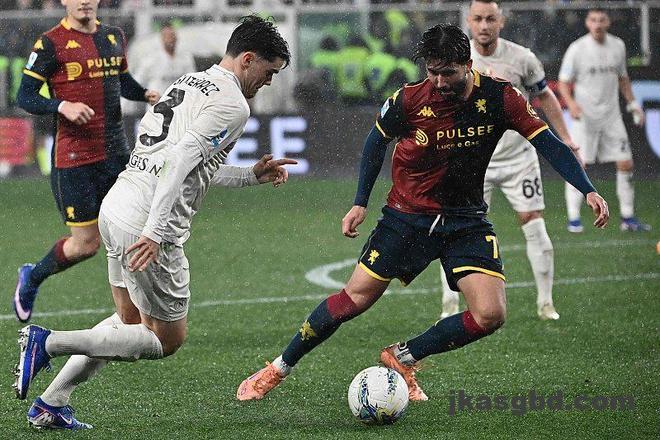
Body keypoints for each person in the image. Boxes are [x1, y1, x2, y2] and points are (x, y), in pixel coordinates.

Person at [236, 24, 608, 403]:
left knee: (490, 314)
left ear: (468, 65)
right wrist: (360, 201)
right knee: (353, 300)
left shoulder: (501, 97)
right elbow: (375, 143)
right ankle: (277, 368)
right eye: (432, 72)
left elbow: (548, 142)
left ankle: (403, 356)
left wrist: (588, 189)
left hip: (465, 220)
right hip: (407, 218)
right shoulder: (410, 99)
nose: (439, 81)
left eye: (448, 73)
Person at [13, 15, 295, 430]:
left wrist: (251, 175)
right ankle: (48, 342)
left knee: (128, 322)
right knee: (167, 338)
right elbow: (179, 161)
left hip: (118, 205)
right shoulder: (234, 104)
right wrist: (155, 231)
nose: (269, 81)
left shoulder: (188, 82)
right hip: (145, 222)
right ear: (248, 59)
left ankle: (51, 402)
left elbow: (193, 165)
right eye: (269, 72)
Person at [13, 0, 161, 323]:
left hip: (116, 155)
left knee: (131, 233)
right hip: (74, 160)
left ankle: (133, 315)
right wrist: (61, 105)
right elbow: (24, 96)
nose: (83, 1)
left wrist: (145, 94)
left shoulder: (113, 36)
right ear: (64, 1)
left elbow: (122, 80)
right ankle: (32, 276)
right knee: (86, 244)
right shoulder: (50, 43)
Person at [440, 0, 581, 321]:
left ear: (501, 21)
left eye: (490, 19)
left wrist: (566, 138)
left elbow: (544, 95)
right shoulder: (455, 60)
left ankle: (546, 304)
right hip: (471, 161)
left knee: (533, 222)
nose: (484, 25)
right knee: (457, 229)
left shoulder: (522, 58)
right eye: (478, 19)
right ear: (468, 21)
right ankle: (449, 305)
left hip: (518, 157)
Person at [559, 8, 649, 233]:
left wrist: (633, 104)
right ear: (587, 23)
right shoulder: (577, 49)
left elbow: (623, 78)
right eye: (593, 20)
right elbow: (563, 82)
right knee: (578, 164)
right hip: (585, 118)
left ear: (608, 22)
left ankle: (627, 218)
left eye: (601, 20)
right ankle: (574, 219)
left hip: (611, 116)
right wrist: (571, 105)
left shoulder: (618, 46)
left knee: (626, 163)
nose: (597, 24)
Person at [134, 21, 196, 96]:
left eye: (172, 35)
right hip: (157, 101)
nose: (170, 39)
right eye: (167, 36)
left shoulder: (185, 58)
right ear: (162, 38)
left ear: (176, 38)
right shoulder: (152, 59)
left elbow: (192, 81)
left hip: (178, 100)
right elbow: (138, 80)